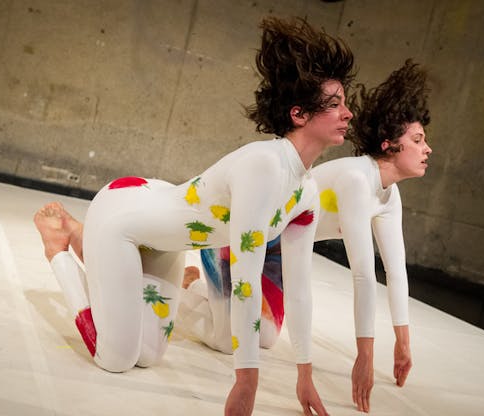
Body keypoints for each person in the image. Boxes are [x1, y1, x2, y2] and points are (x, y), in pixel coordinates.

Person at [34, 16, 355, 416]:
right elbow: (245, 281)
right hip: (123, 218)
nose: (349, 114)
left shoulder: (305, 194)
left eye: (346, 103)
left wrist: (304, 376)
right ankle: (60, 248)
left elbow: (300, 289)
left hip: (165, 242)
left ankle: (92, 247)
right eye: (336, 104)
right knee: (115, 358)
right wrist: (246, 379)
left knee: (147, 356)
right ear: (299, 114)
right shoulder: (264, 166)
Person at [183, 59, 432, 413]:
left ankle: (201, 285)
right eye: (418, 140)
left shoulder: (389, 194)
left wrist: (403, 344)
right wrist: (364, 356)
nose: (428, 149)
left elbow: (395, 271)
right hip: (242, 240)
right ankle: (193, 280)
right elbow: (362, 273)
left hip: (281, 251)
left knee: (265, 338)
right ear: (390, 144)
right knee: (228, 341)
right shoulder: (357, 181)